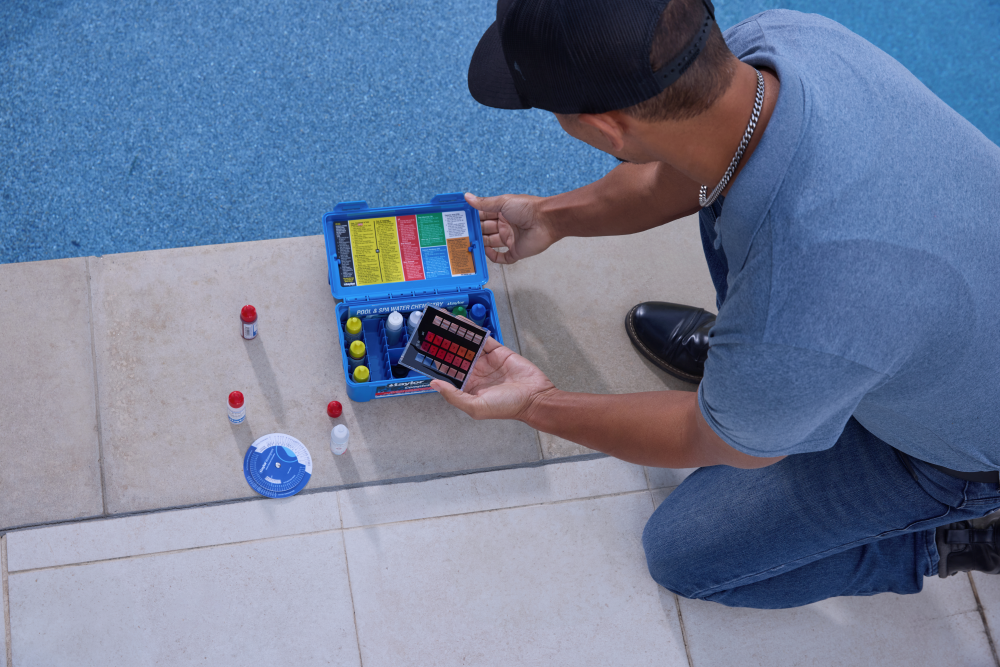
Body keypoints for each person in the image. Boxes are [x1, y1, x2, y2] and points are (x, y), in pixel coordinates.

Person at [428, 0, 1000, 609]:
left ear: (604, 129)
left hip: (957, 451)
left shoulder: (806, 287)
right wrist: (550, 218)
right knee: (723, 197)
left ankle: (948, 536)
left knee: (686, 554)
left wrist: (538, 404)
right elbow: (678, 170)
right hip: (895, 331)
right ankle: (764, 385)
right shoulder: (780, 45)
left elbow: (709, 440)